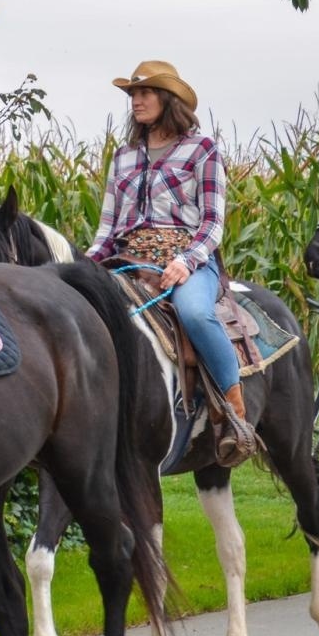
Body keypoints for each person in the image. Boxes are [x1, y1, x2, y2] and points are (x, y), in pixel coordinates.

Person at [85, 60, 256, 466]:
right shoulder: (123, 157)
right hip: (126, 256)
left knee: (195, 313)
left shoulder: (202, 150)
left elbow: (214, 223)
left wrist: (187, 261)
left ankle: (234, 412)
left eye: (144, 93)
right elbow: (107, 228)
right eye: (132, 95)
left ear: (168, 99)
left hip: (187, 258)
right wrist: (83, 267)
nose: (136, 101)